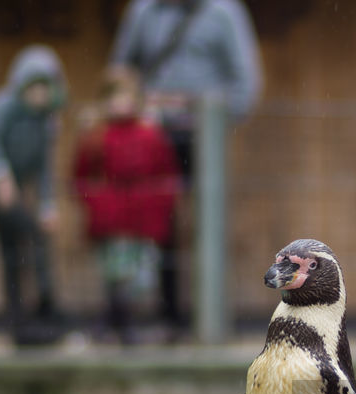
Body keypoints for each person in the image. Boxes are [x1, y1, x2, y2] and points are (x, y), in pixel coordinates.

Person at [109, 0, 263, 338]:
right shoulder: (143, 12)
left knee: (207, 226)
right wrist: (140, 107)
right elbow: (120, 72)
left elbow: (246, 84)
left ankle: (209, 320)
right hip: (151, 137)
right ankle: (163, 316)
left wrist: (209, 115)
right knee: (154, 223)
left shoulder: (224, 13)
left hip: (203, 139)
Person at [0, 45, 67, 346]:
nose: (38, 95)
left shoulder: (45, 121)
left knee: (15, 246)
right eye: (33, 87)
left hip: (12, 190)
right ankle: (35, 309)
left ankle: (21, 317)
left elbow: (45, 168)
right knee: (26, 238)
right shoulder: (1, 107)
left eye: (44, 88)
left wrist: (48, 204)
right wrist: (1, 175)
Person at [73, 68, 181, 344]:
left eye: (125, 96)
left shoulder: (149, 136)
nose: (119, 103)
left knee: (139, 277)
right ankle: (120, 326)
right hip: (111, 219)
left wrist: (156, 206)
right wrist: (98, 203)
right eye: (114, 97)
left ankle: (111, 322)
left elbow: (165, 175)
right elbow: (80, 176)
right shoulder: (97, 136)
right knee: (116, 274)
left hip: (143, 220)